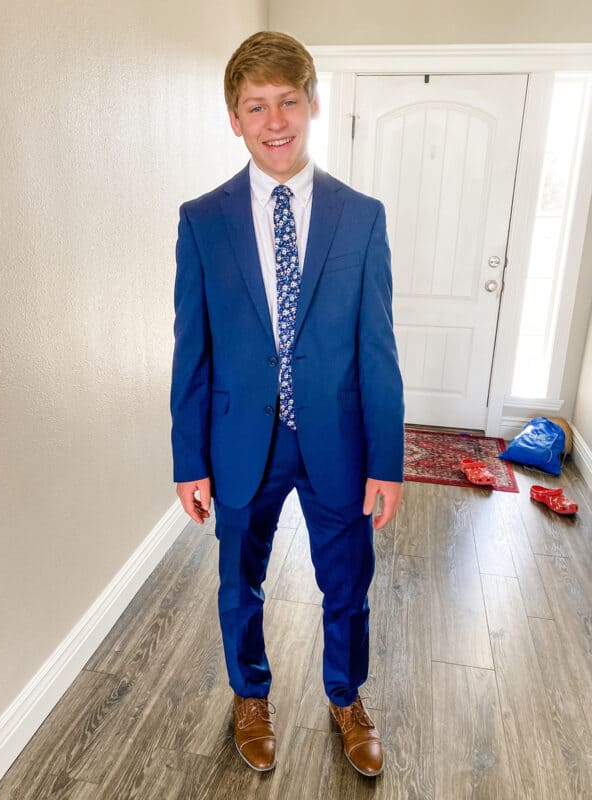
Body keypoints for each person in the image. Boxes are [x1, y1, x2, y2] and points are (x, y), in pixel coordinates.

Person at [170, 30, 404, 777]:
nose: (275, 121)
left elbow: (378, 350)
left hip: (335, 439)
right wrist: (188, 459)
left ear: (313, 104)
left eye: (289, 102)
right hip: (240, 442)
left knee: (348, 583)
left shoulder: (361, 217)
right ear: (234, 119)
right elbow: (192, 350)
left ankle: (345, 694)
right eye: (256, 106)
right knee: (240, 583)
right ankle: (250, 694)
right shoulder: (202, 221)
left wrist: (389, 461)